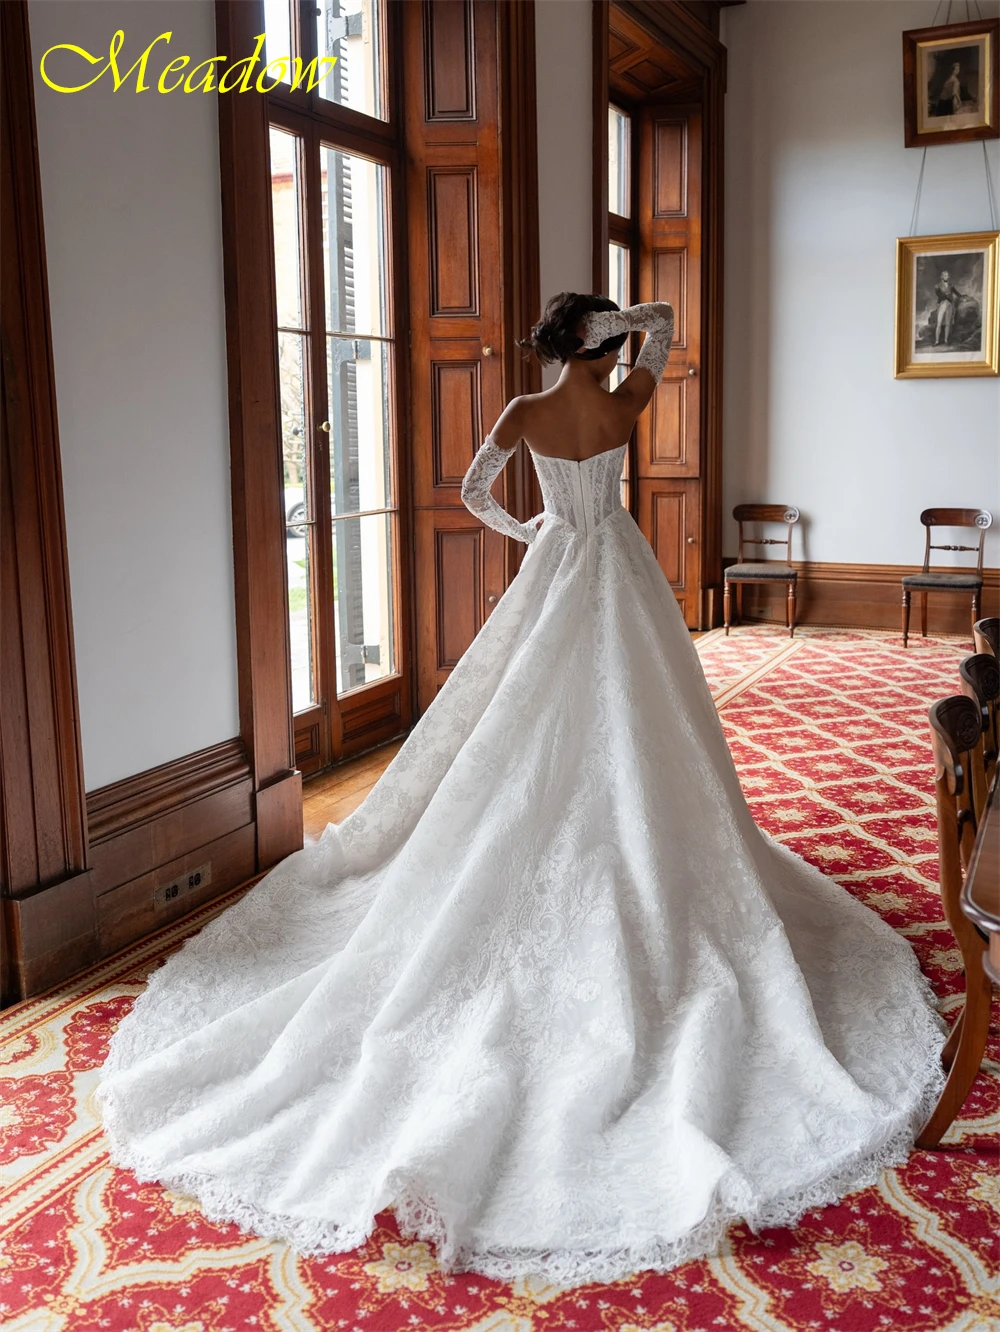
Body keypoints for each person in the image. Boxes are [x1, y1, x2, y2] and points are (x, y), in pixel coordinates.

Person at [96, 293, 946, 1287]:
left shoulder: (524, 414)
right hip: (618, 568)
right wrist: (631, 322)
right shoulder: (625, 398)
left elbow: (470, 491)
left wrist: (531, 527)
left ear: (550, 347)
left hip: (559, 561)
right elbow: (664, 327)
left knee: (529, 728)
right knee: (642, 723)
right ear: (598, 343)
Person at [933, 269, 961, 345]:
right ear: (942, 277)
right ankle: (937, 341)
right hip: (942, 304)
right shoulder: (937, 286)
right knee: (939, 324)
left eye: (947, 275)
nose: (947, 276)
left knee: (948, 324)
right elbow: (939, 295)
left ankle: (946, 340)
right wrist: (947, 295)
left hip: (949, 305)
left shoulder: (951, 286)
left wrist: (962, 298)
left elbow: (957, 293)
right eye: (945, 275)